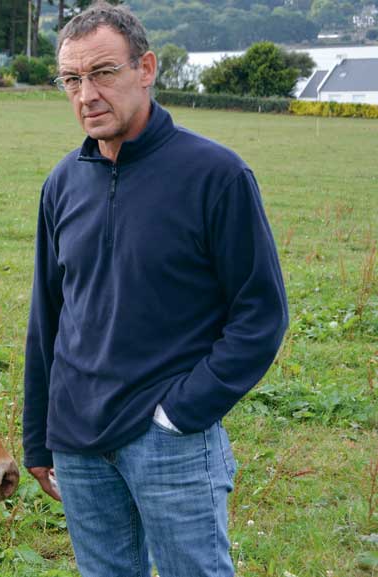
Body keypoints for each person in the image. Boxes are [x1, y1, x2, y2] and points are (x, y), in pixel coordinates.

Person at [21, 3, 288, 576]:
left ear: (146, 68)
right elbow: (48, 317)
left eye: (103, 73)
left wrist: (180, 413)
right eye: (71, 79)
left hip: (168, 439)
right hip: (77, 441)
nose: (86, 94)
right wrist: (40, 436)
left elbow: (260, 315)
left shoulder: (216, 176)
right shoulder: (63, 183)